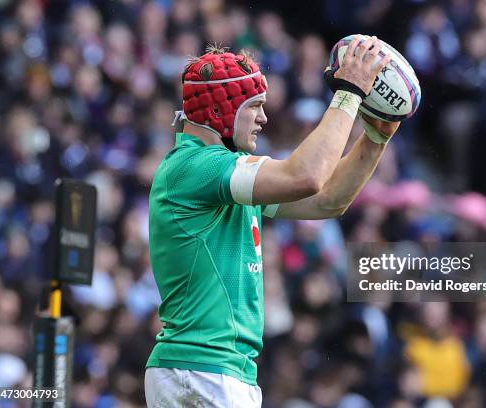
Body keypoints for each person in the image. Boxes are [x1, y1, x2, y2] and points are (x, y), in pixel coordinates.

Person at [145, 37, 400, 407]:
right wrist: (348, 94)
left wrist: (375, 137)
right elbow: (306, 176)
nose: (264, 118)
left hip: (214, 371)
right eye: (256, 107)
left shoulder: (222, 177)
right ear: (222, 109)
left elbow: (326, 200)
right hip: (202, 370)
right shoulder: (197, 166)